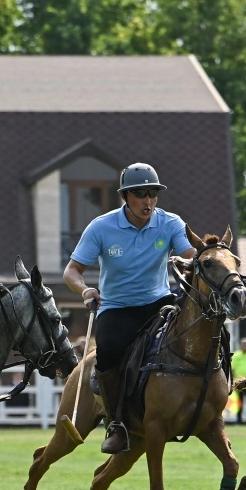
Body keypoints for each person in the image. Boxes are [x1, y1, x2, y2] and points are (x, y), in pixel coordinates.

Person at [64, 163, 196, 454]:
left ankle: (204, 404)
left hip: (160, 302)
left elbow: (192, 256)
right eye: (140, 194)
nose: (148, 200)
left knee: (195, 330)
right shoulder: (101, 227)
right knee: (109, 351)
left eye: (153, 194)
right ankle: (118, 424)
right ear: (125, 196)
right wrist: (85, 289)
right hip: (117, 307)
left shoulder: (170, 223)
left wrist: (197, 262)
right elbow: (72, 270)